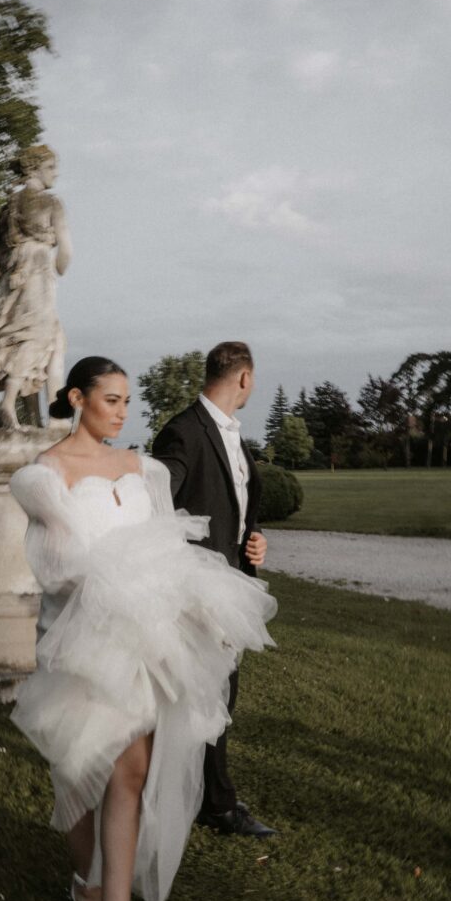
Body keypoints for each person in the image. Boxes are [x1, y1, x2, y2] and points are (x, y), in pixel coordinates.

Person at [9, 356, 276, 901]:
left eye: (128, 401)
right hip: (78, 639)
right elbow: (59, 568)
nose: (122, 413)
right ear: (76, 398)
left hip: (140, 639)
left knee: (130, 769)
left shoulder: (144, 469)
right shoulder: (43, 476)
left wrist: (199, 593)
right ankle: (90, 886)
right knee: (78, 769)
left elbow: (168, 547)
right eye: (110, 400)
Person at [152, 341, 276, 839]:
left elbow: (240, 508)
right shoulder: (183, 431)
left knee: (221, 691)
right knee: (202, 694)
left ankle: (205, 795)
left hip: (234, 584)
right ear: (244, 379)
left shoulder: (236, 439)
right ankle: (215, 804)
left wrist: (257, 539)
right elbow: (160, 499)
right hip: (198, 589)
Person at [0, 145, 72, 433]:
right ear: (34, 169)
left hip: (13, 276)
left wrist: (2, 267)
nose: (55, 173)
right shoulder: (51, 203)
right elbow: (66, 253)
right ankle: (11, 405)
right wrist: (58, 261)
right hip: (38, 273)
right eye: (51, 168)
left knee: (22, 336)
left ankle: (43, 417)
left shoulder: (8, 207)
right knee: (38, 336)